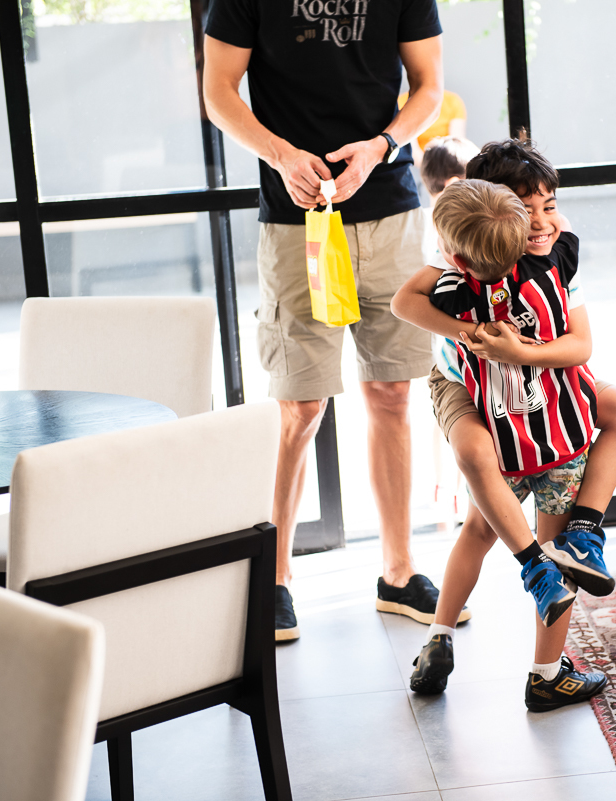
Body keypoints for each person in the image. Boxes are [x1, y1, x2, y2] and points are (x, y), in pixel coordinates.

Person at [202, 0, 452, 641]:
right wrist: (282, 156)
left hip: (390, 214)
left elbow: (428, 86)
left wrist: (383, 146)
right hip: (297, 224)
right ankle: (276, 578)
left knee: (393, 394)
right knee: (299, 406)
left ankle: (398, 572)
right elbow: (219, 93)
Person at [394, 140, 616, 709]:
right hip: (466, 386)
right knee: (479, 494)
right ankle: (443, 635)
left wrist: (524, 354)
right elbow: (404, 304)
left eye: (548, 206)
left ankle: (552, 648)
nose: (540, 221)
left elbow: (579, 345)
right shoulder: (460, 254)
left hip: (545, 390)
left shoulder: (555, 254)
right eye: (526, 209)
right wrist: (469, 336)